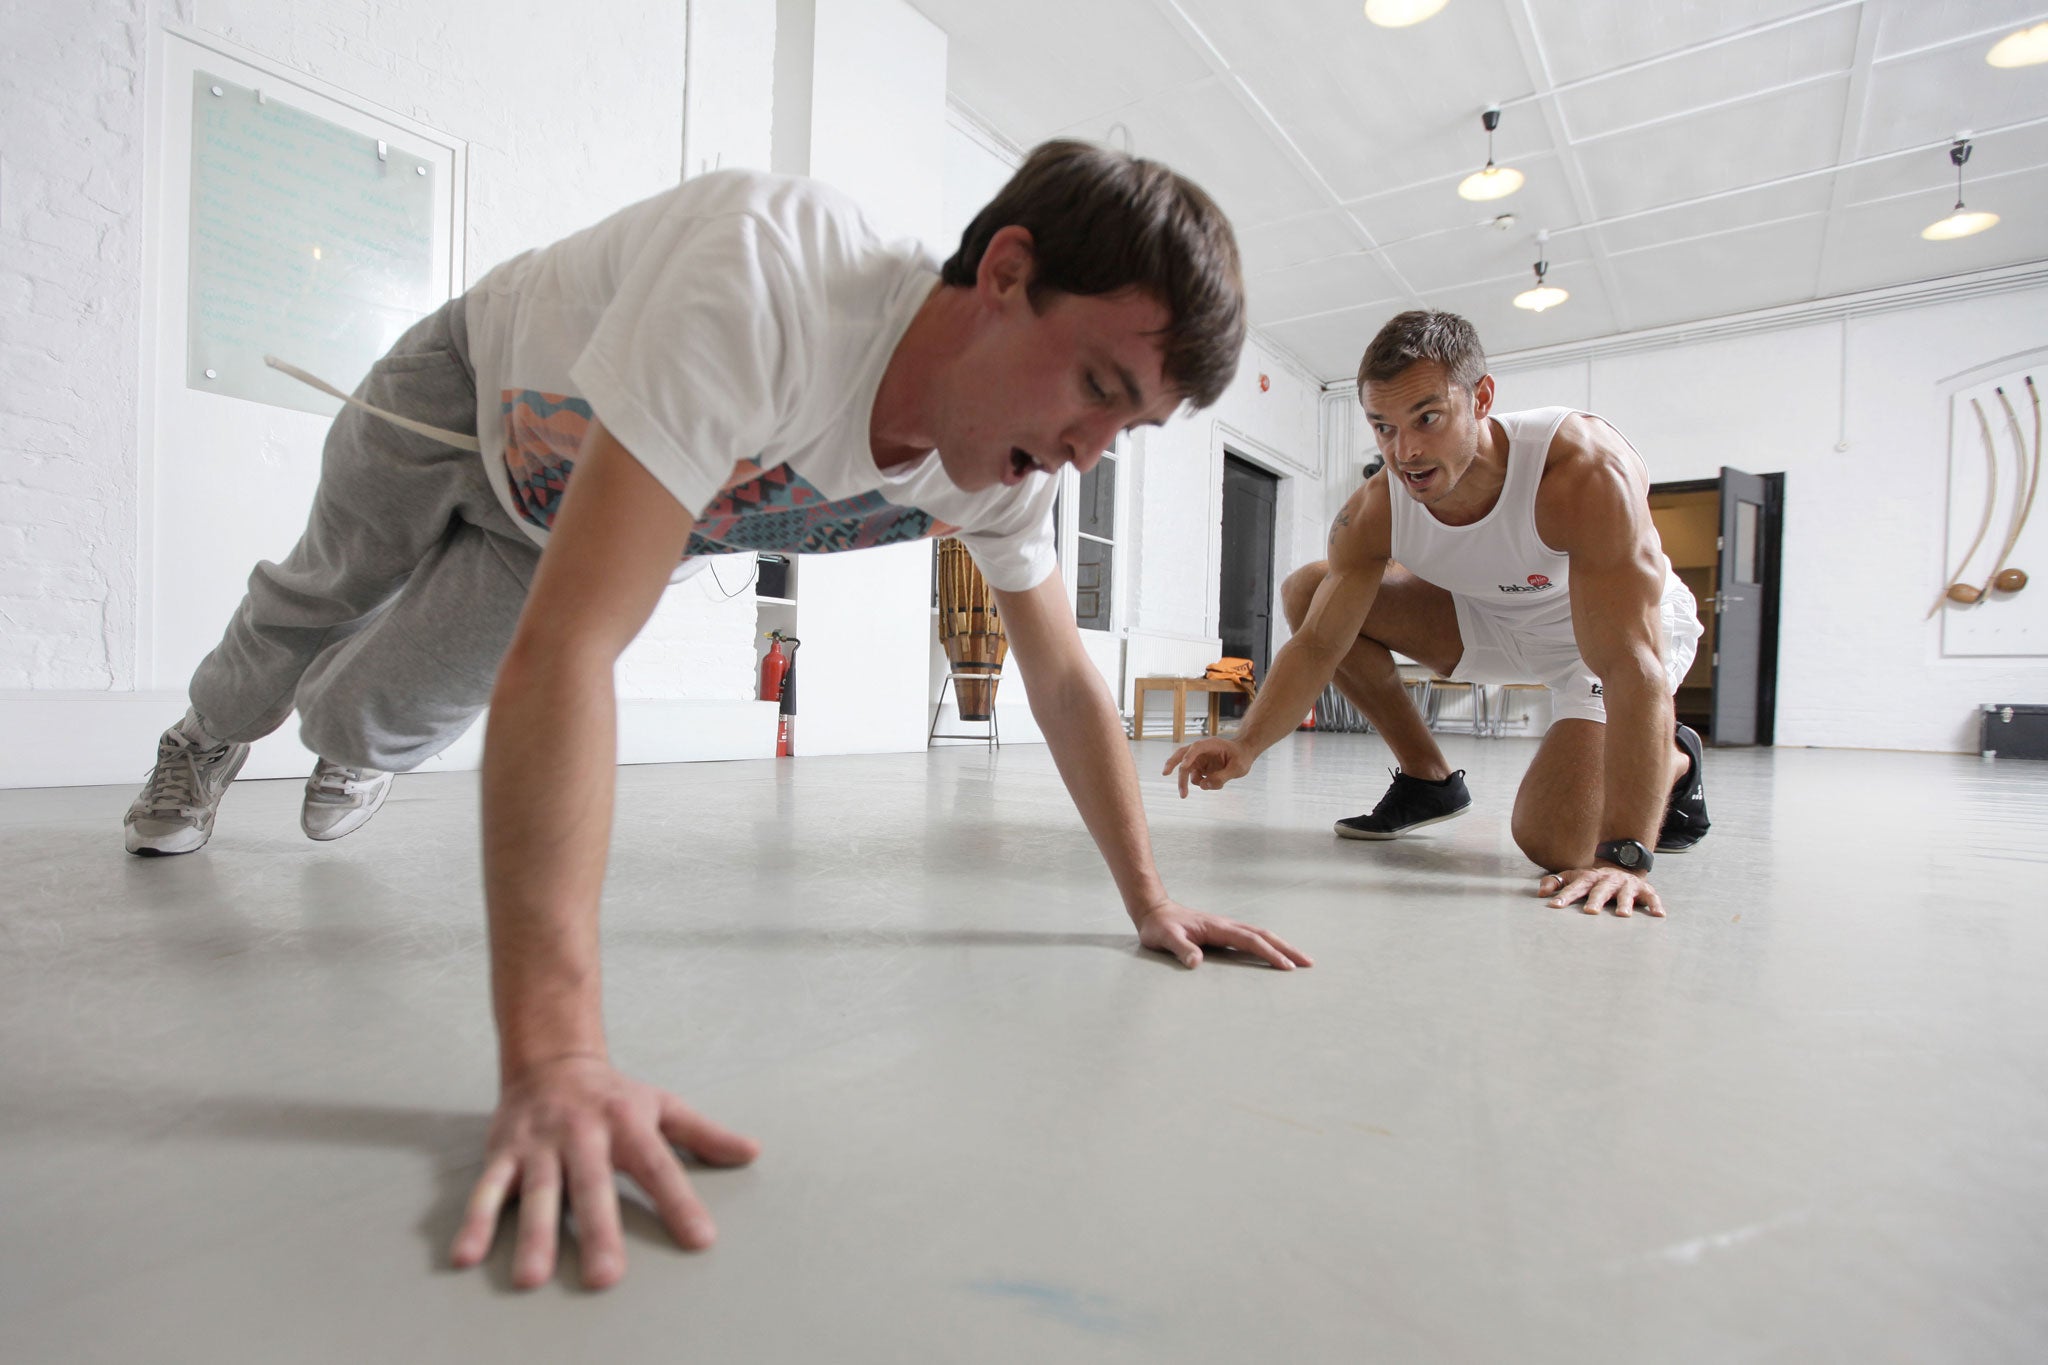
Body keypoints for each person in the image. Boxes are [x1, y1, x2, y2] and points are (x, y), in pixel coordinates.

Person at [122, 141, 1313, 1289]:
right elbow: (575, 651)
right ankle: (208, 737)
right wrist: (558, 1058)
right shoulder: (772, 277)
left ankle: (344, 732)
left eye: (1129, 429)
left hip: (547, 528)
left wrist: (1147, 899)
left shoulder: (991, 476)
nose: (1083, 453)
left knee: (368, 722)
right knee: (315, 601)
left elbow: (1059, 681)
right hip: (460, 404)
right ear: (1004, 273)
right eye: (1100, 389)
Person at [1163, 309, 1709, 918]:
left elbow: (1632, 662)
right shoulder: (1375, 509)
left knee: (1556, 844)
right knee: (1309, 590)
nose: (1406, 451)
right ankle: (1428, 780)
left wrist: (1624, 856)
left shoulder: (1580, 470)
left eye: (1427, 418)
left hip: (1609, 646)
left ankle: (1675, 759)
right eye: (1383, 427)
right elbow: (1319, 644)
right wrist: (1246, 746)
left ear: (1482, 398)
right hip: (1495, 621)